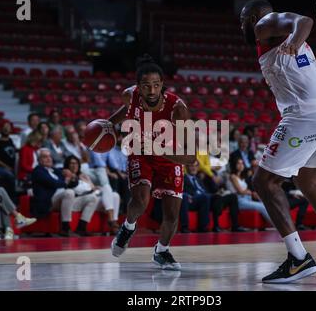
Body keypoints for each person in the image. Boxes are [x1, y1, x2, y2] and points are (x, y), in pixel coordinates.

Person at [240, 0, 316, 283]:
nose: (241, 25)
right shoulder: (269, 36)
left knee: (264, 182)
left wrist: (294, 39)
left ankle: (297, 258)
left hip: (306, 113)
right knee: (307, 180)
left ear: (254, 16)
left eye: (243, 19)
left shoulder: (265, 23)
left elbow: (305, 20)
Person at [109, 54, 196, 270]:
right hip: (140, 153)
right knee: (140, 199)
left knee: (172, 214)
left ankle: (162, 251)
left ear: (162, 86)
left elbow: (191, 156)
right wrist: (106, 125)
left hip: (170, 157)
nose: (152, 90)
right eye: (146, 85)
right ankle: (128, 228)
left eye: (156, 85)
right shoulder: (130, 96)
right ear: (138, 86)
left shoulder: (178, 108)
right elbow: (124, 113)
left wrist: (160, 149)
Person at [31, 148, 97, 237]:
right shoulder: (38, 171)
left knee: (92, 198)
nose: (48, 158)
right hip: (49, 202)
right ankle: (65, 228)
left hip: (65, 200)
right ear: (39, 160)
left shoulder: (56, 170)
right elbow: (53, 183)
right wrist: (66, 181)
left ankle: (81, 228)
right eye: (44, 157)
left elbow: (73, 183)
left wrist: (73, 177)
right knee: (69, 192)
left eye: (49, 156)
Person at [182, 160, 244, 233]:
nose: (194, 168)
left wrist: (217, 193)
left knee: (232, 196)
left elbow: (206, 190)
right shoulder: (184, 178)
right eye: (191, 166)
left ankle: (235, 226)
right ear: (187, 167)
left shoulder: (199, 179)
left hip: (207, 198)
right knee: (209, 197)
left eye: (196, 166)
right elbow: (183, 191)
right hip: (193, 199)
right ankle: (204, 228)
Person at [64, 156, 120, 234]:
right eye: (72, 163)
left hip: (91, 199)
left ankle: (113, 221)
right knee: (102, 190)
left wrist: (94, 187)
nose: (74, 165)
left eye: (76, 163)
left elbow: (93, 187)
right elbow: (76, 190)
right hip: (78, 200)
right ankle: (112, 222)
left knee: (115, 195)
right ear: (67, 165)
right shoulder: (66, 174)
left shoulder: (83, 175)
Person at [227, 158, 272, 224]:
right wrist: (250, 192)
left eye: (242, 163)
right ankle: (277, 225)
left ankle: (276, 223)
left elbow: (245, 190)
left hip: (247, 199)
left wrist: (248, 192)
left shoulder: (242, 177)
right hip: (240, 201)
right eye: (238, 163)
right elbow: (240, 192)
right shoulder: (233, 176)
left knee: (266, 204)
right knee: (262, 206)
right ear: (234, 165)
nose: (241, 165)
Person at [0, 121, 17, 199]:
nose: (6, 129)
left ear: (11, 130)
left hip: (11, 168)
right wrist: (5, 166)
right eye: (4, 127)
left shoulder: (10, 141)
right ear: (0, 129)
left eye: (8, 127)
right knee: (10, 176)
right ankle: (12, 200)